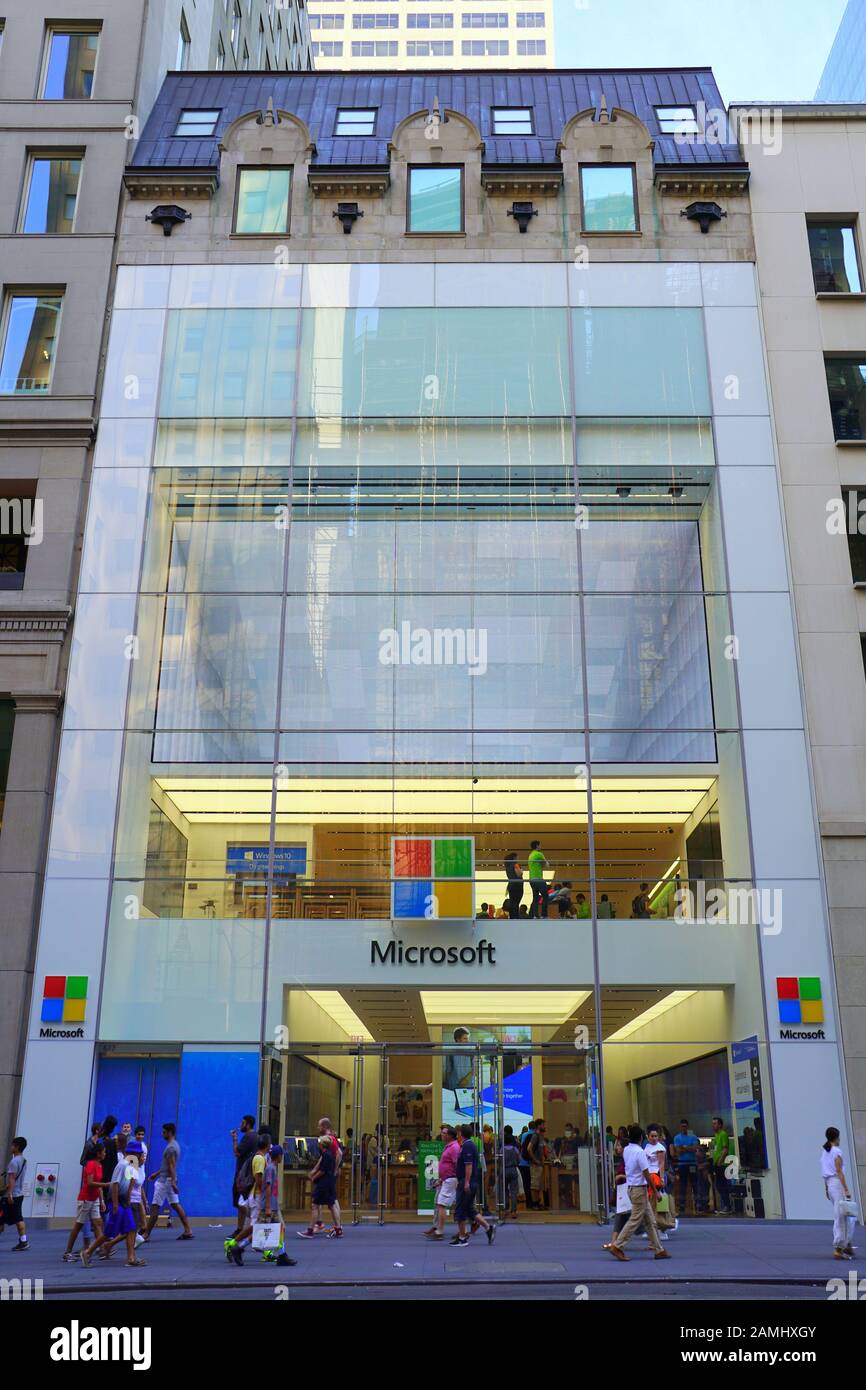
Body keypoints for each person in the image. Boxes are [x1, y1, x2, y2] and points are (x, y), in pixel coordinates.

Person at [605, 1124, 671, 1262]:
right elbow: (646, 1173)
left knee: (650, 1220)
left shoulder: (627, 1150)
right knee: (635, 1219)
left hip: (632, 1187)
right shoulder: (639, 1152)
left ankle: (659, 1249)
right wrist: (655, 1191)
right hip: (639, 1189)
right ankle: (618, 1245)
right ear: (641, 1137)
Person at [143, 1122, 192, 1240]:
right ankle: (188, 1230)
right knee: (175, 1204)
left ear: (169, 1132)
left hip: (164, 1182)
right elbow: (168, 1165)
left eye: (164, 1132)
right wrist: (157, 1173)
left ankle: (146, 1235)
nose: (162, 1133)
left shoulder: (170, 1148)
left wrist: (173, 1182)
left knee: (155, 1207)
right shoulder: (175, 1145)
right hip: (168, 1179)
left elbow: (171, 1166)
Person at [228, 1133, 271, 1266]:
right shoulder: (259, 1158)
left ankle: (238, 1246)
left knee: (257, 1227)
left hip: (256, 1196)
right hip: (257, 1197)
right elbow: (259, 1178)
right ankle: (235, 1246)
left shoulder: (260, 1157)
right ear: (267, 1145)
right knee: (255, 1227)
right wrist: (264, 1196)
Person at [450, 1124, 495, 1247]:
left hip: (467, 1181)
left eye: (458, 1133)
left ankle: (462, 1237)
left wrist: (466, 1182)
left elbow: (468, 1165)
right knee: (469, 1209)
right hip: (468, 1181)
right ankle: (488, 1227)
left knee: (460, 1209)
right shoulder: (467, 1145)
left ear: (461, 1134)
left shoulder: (468, 1146)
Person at [64, 1140, 107, 1262]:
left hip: (94, 1199)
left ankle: (101, 1249)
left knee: (98, 1223)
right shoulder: (91, 1164)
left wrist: (102, 1200)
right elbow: (90, 1183)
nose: (105, 1154)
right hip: (85, 1199)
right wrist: (106, 1184)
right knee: (78, 1225)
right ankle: (67, 1252)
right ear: (98, 1153)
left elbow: (97, 1186)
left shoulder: (99, 1165)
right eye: (104, 1152)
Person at [821, 1126, 856, 1259]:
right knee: (842, 1216)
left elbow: (824, 1173)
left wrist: (826, 1188)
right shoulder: (836, 1151)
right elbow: (839, 1171)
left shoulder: (824, 1152)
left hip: (830, 1185)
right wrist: (846, 1188)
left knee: (840, 1213)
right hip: (837, 1184)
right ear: (836, 1137)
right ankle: (839, 1246)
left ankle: (846, 1244)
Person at [298, 1134, 342, 1239]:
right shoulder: (329, 1154)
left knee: (315, 1205)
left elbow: (322, 1170)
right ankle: (338, 1228)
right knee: (331, 1205)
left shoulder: (325, 1155)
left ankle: (310, 1230)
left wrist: (313, 1177)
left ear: (322, 1145)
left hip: (324, 1183)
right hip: (330, 1182)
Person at [424, 1125, 459, 1239]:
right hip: (445, 1179)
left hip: (450, 1179)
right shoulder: (448, 1146)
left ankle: (440, 1230)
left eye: (444, 1133)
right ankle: (437, 1228)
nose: (442, 1134)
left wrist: (455, 1179)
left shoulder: (453, 1148)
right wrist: (440, 1179)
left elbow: (456, 1165)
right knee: (441, 1203)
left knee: (442, 1204)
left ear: (449, 1135)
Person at [229, 1115, 259, 1242]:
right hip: (249, 1174)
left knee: (239, 1202)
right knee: (242, 1201)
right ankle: (240, 1228)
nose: (241, 1125)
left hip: (243, 1176)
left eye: (242, 1123)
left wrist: (234, 1139)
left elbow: (237, 1152)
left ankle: (254, 1223)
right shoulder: (256, 1136)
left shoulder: (248, 1137)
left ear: (247, 1124)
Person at [0, 1136, 29, 1251]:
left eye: (12, 1145)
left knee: (1, 1217)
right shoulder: (24, 1160)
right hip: (19, 1194)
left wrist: (10, 1193)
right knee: (18, 1218)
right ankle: (23, 1241)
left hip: (11, 1195)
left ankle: (24, 1242)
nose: (11, 1147)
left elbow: (12, 1178)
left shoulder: (14, 1161)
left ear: (17, 1147)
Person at [673, 1118, 701, 1215]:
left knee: (695, 1184)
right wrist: (688, 1148)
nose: (684, 1128)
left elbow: (695, 1148)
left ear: (687, 1126)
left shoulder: (693, 1136)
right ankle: (682, 1205)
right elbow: (678, 1151)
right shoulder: (677, 1137)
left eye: (685, 1126)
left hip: (692, 1163)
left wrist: (684, 1147)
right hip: (682, 1164)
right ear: (680, 1127)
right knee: (683, 1186)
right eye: (682, 1126)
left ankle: (698, 1204)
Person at [711, 1117, 732, 1214]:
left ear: (720, 1125)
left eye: (715, 1123)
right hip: (716, 1164)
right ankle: (725, 1205)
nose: (713, 1125)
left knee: (721, 1185)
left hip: (721, 1164)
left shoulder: (723, 1134)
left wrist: (720, 1160)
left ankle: (727, 1206)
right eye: (713, 1123)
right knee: (719, 1185)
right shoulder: (716, 1135)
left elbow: (725, 1149)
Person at [527, 840, 550, 918]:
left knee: (535, 898)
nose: (541, 846)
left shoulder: (530, 855)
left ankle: (534, 915)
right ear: (537, 846)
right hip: (538, 879)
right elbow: (547, 865)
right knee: (546, 896)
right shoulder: (539, 854)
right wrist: (544, 863)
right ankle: (544, 915)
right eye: (540, 845)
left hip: (531, 879)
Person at [528, 1118, 548, 1209]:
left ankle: (538, 1202)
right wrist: (535, 1160)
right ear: (539, 1125)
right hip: (535, 1164)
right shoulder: (535, 1136)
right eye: (543, 1124)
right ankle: (534, 1203)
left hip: (540, 1164)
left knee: (538, 1184)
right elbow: (529, 1148)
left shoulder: (541, 1136)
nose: (544, 1126)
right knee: (534, 1184)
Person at [503, 1126, 521, 1218]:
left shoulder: (501, 1150)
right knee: (514, 1191)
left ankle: (506, 1209)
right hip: (513, 1169)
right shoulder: (515, 1149)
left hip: (504, 1170)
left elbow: (498, 1160)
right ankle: (514, 1211)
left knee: (505, 1190)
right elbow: (519, 1159)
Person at [504, 851, 524, 918]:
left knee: (513, 903)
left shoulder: (507, 866)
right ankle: (516, 918)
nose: (518, 859)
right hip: (517, 885)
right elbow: (519, 874)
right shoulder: (515, 864)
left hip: (511, 885)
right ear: (514, 857)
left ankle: (512, 917)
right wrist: (521, 871)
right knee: (516, 903)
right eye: (517, 857)